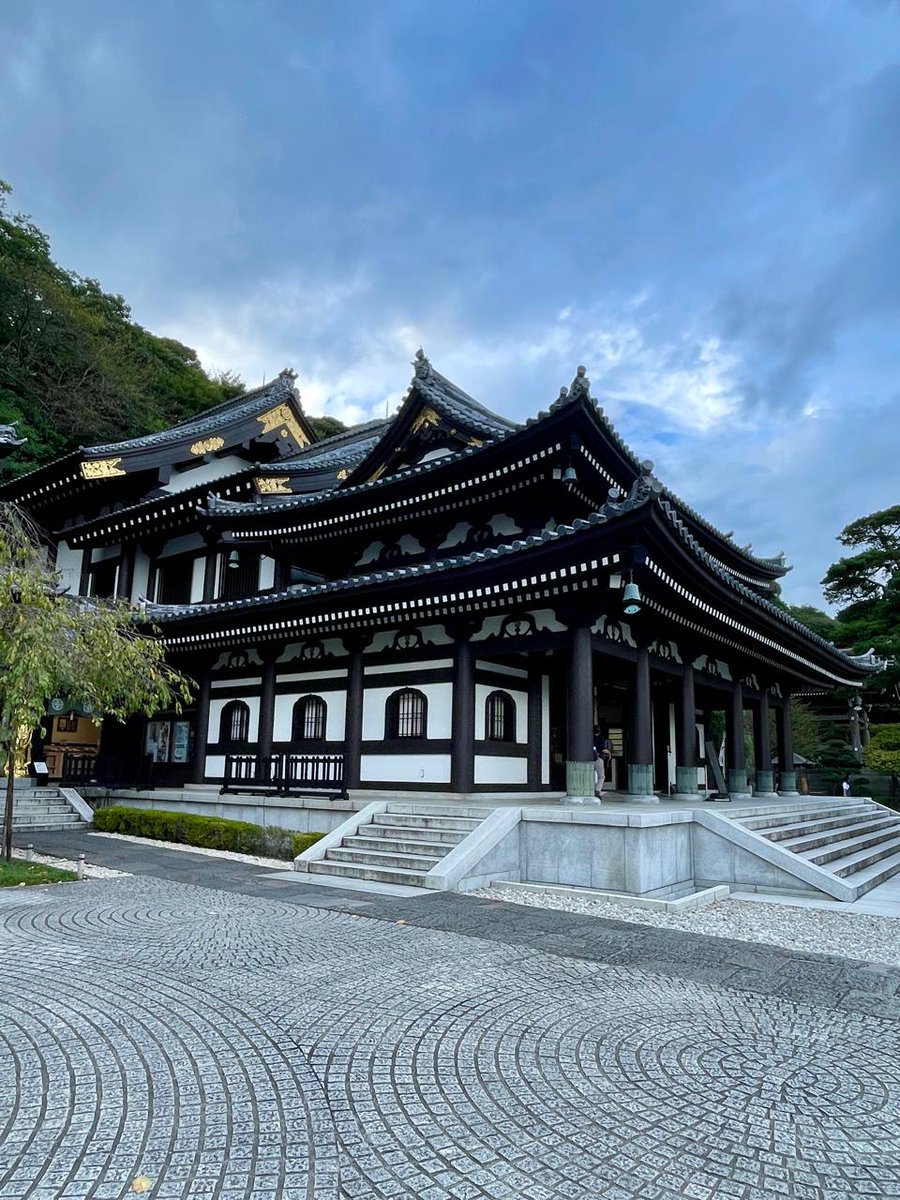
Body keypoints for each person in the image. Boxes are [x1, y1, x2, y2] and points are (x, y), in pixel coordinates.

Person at [593, 727, 612, 796]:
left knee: (591, 775)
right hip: (598, 758)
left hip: (589, 759)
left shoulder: (588, 738)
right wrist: (609, 753)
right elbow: (603, 750)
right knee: (601, 776)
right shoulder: (600, 739)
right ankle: (597, 790)